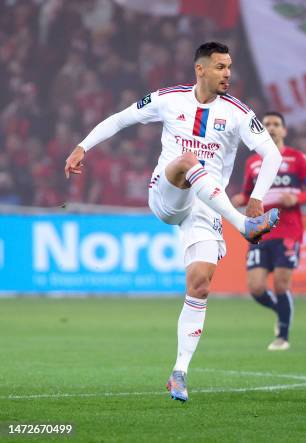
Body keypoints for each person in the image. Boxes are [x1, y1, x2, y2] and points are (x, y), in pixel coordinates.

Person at [64, 42, 283, 403]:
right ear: (200, 70)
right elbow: (121, 119)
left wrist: (258, 197)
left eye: (229, 66)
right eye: (219, 67)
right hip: (167, 192)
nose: (227, 73)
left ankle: (179, 372)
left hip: (206, 208)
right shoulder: (168, 99)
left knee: (199, 285)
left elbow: (270, 155)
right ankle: (243, 226)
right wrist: (82, 146)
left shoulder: (240, 114)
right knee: (186, 160)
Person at [232, 112, 306, 350]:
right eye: (267, 124)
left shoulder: (297, 158)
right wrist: (238, 198)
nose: (271, 128)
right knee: (256, 288)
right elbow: (247, 193)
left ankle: (282, 337)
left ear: (284, 130)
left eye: (276, 124)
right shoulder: (252, 162)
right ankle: (280, 309)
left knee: (282, 284)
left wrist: (297, 197)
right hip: (260, 231)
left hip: (288, 231)